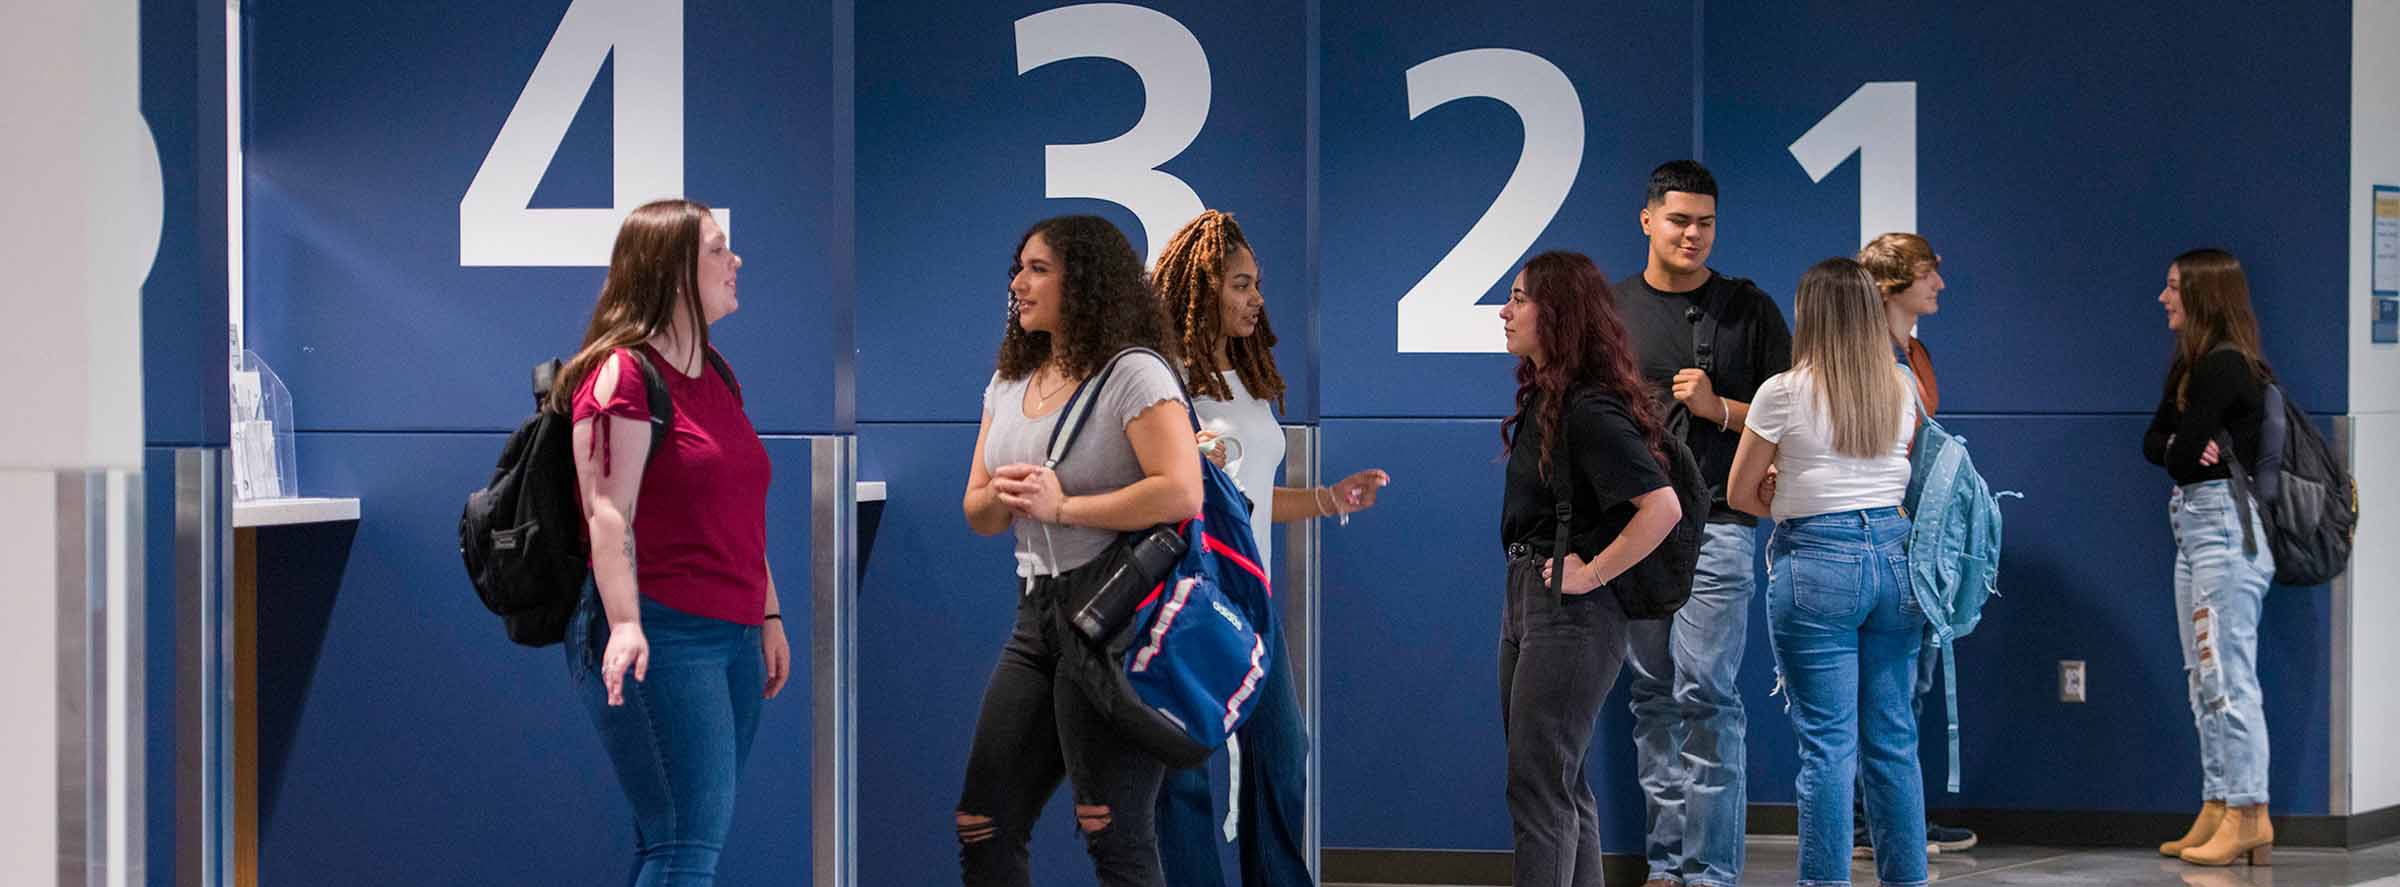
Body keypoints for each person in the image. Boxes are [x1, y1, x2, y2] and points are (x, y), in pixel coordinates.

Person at [956, 215, 1203, 887]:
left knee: (1113, 832)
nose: (1019, 282)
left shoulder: (1134, 374)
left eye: (1039, 268)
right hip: (1035, 617)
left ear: (1086, 282)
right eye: (1018, 268)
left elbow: (1181, 490)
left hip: (1113, 619)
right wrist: (1005, 497)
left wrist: (1065, 507)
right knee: (984, 819)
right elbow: (977, 510)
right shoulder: (1009, 382)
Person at [1148, 209, 1390, 887]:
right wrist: (1184, 458)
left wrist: (1327, 498)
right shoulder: (1165, 381)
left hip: (1251, 596)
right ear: (1202, 288)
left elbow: (1249, 497)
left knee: (1283, 752)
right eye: (1241, 284)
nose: (1257, 299)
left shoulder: (1246, 378)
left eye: (1257, 284)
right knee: (1187, 772)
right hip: (1191, 601)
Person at [558, 198, 790, 885]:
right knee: (686, 844)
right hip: (664, 629)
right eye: (719, 250)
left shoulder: (717, 374)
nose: (736, 261)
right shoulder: (620, 377)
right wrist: (625, 623)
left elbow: (738, 507)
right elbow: (607, 512)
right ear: (673, 270)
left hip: (734, 633)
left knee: (676, 838)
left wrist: (769, 613)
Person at [1616, 160, 1790, 887]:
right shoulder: (1612, 311)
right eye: (1680, 219)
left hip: (1717, 525)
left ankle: (1712, 872)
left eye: (1706, 222)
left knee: (1707, 695)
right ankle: (1667, 867)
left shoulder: (1749, 310)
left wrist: (1721, 408)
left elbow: (1795, 418)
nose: (1694, 234)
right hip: (1633, 532)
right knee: (1653, 698)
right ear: (1648, 220)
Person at [1728, 257, 1928, 887]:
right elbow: (1899, 478)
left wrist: (1781, 492)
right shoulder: (1901, 386)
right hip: (1898, 560)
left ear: (1808, 313)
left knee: (1827, 747)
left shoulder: (1783, 391)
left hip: (1816, 562)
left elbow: (1737, 493)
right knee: (1894, 742)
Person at [1496, 250, 1683, 887]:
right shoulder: (1552, 400)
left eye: (1520, 298)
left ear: (1559, 314)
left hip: (1569, 616)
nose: (1506, 310)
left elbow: (1662, 506)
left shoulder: (1587, 408)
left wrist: (1592, 572)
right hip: (1531, 601)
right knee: (1558, 782)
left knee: (1541, 785)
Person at [2142, 248, 2277, 868]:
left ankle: (2251, 811)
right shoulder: (2190, 367)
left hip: (2227, 531)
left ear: (2203, 296)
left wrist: (2182, 444)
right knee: (2202, 678)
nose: (2164, 298)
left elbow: (2175, 452)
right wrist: (2180, 442)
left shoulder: (2227, 369)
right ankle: (2218, 803)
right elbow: (2156, 444)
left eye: (2174, 288)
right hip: (2195, 531)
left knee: (2228, 675)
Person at [1852, 232, 1975, 857]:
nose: (1941, 284)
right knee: (1886, 684)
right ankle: (1872, 822)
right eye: (1930, 273)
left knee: (1910, 682)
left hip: (1921, 536)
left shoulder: (1915, 352)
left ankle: (1891, 816)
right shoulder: (1865, 358)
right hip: (1882, 533)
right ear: (1896, 283)